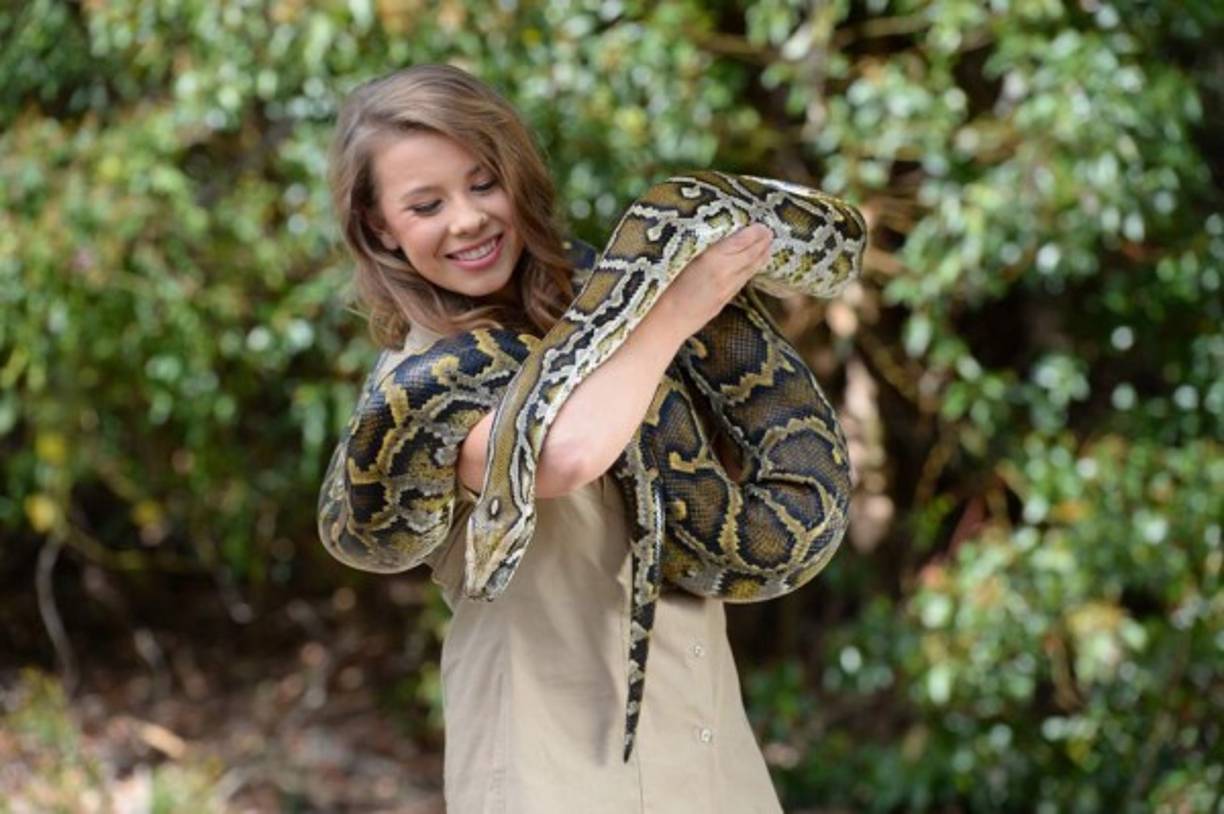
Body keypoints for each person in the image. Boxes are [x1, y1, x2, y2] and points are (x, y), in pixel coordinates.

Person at [327, 64, 783, 813]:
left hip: (706, 748)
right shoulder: (418, 390)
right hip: (556, 769)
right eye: (426, 204)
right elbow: (562, 457)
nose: (467, 220)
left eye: (483, 184)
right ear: (381, 227)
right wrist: (677, 312)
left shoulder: (590, 312)